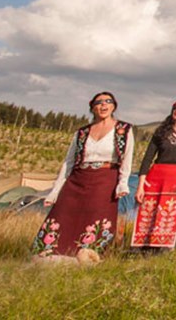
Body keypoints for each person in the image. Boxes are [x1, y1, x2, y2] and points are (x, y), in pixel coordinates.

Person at [32, 92, 134, 261]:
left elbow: (127, 159)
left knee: (97, 216)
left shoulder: (124, 130)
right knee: (63, 213)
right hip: (78, 179)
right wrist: (55, 191)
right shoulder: (81, 133)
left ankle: (89, 256)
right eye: (98, 102)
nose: (103, 105)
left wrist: (123, 183)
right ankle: (52, 254)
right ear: (92, 107)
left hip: (105, 179)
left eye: (107, 101)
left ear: (113, 106)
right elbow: (68, 162)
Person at [131, 97, 176, 252]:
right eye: (175, 107)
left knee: (171, 214)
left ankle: (164, 251)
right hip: (156, 175)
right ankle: (142, 250)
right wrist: (141, 185)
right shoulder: (162, 131)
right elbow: (148, 158)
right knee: (149, 212)